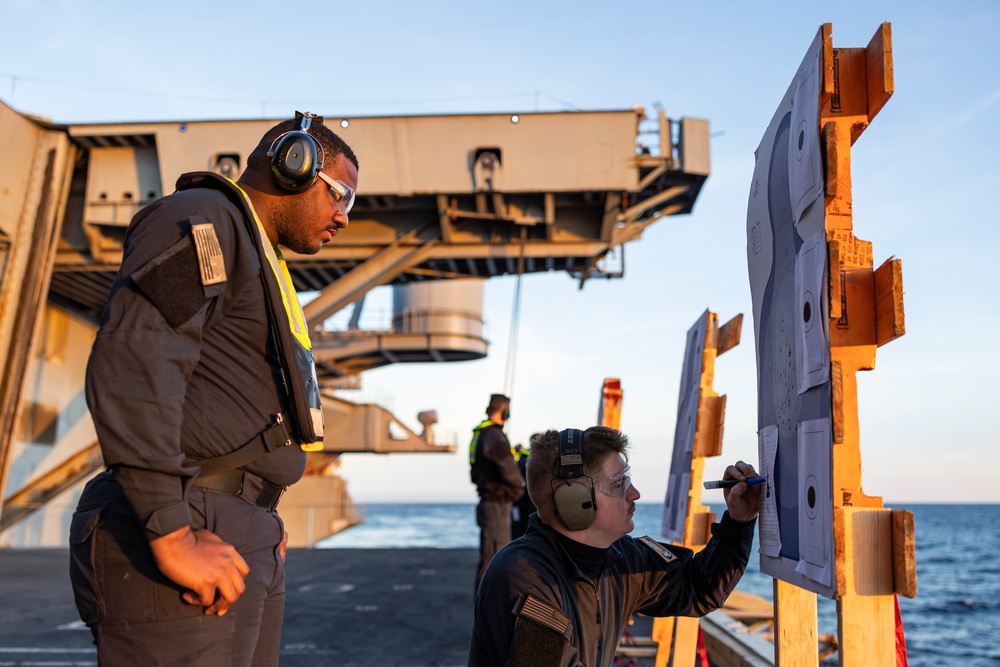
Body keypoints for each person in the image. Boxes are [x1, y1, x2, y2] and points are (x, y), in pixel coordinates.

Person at [68, 112, 359, 666]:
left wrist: (260, 516)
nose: (344, 217)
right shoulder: (205, 220)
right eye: (340, 194)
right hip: (189, 519)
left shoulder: (254, 252)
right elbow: (135, 358)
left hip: (236, 526)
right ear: (293, 166)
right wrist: (172, 534)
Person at [468, 426, 760, 667]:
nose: (634, 493)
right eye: (619, 483)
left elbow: (699, 589)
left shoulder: (622, 557)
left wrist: (739, 521)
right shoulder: (523, 578)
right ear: (574, 501)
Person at [469, 393, 524, 590]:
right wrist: (520, 484)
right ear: (504, 411)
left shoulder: (485, 433)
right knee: (495, 558)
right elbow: (506, 466)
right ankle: (487, 611)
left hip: (491, 502)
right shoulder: (494, 435)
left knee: (493, 556)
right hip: (496, 503)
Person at [510, 436, 539, 539]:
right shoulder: (540, 459)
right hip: (532, 502)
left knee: (519, 530)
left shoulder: (522, 457)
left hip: (520, 500)